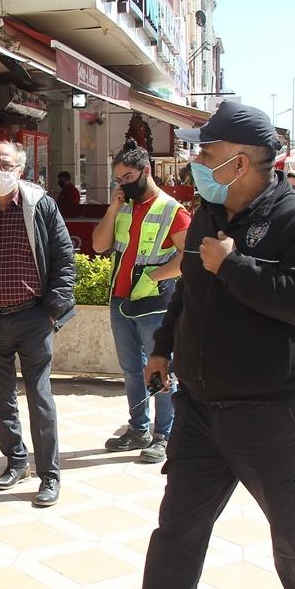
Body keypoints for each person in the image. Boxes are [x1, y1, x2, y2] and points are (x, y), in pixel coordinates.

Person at [84, 101, 295, 589]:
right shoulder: (207, 214)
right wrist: (164, 347)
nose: (197, 161)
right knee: (177, 530)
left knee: (293, 530)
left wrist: (235, 266)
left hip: (271, 415)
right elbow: (190, 293)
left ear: (241, 161)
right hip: (201, 412)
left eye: (207, 152)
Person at [0, 139, 76, 507]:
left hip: (32, 318)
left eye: (5, 164)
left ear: (20, 169)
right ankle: (16, 461)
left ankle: (49, 475)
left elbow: (64, 259)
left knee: (40, 398)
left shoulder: (42, 207)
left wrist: (52, 309)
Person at [90, 139, 190, 463]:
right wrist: (112, 208)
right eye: (119, 179)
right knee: (131, 370)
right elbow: (100, 245)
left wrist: (155, 276)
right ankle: (138, 429)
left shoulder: (172, 209)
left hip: (155, 304)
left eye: (129, 177)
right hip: (120, 302)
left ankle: (164, 435)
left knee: (159, 370)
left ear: (147, 171)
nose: (123, 184)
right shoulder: (124, 206)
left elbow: (188, 255)